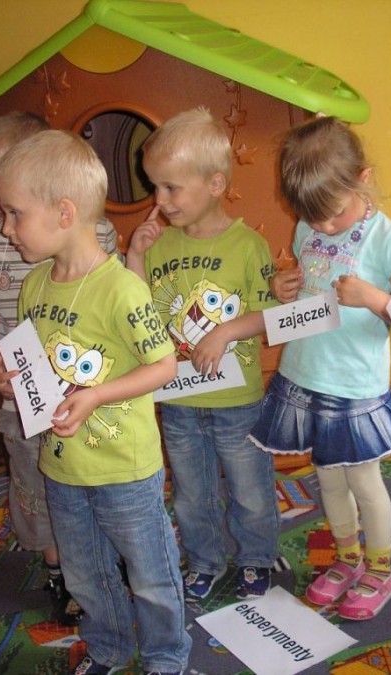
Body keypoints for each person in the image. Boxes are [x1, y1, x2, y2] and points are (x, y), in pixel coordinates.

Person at [0, 129, 190, 675]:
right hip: (62, 466)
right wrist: (9, 380)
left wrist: (96, 393)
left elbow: (164, 365)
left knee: (149, 573)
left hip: (124, 468)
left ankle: (167, 657)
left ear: (64, 212)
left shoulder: (121, 288)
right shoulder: (34, 285)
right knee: (85, 573)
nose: (5, 229)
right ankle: (108, 648)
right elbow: (36, 368)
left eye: (13, 213)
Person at [248, 115, 391, 621]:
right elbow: (311, 281)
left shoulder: (388, 240)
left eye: (333, 215)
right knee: (328, 480)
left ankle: (380, 569)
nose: (324, 227)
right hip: (307, 375)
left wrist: (374, 298)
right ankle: (348, 560)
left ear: (363, 180)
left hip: (354, 385)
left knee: (365, 482)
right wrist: (284, 285)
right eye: (314, 218)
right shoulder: (309, 225)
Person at [0, 110, 120, 626]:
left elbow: (116, 308)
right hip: (21, 400)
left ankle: (110, 557)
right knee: (36, 485)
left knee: (98, 480)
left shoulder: (95, 234)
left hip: (84, 392)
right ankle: (59, 571)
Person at [126, 107, 280, 602]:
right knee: (192, 494)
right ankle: (206, 560)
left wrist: (226, 331)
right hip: (179, 400)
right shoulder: (157, 246)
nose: (159, 200)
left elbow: (269, 314)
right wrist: (134, 257)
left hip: (236, 402)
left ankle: (256, 557)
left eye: (171, 188)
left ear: (215, 184)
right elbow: (137, 313)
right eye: (155, 187)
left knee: (250, 490)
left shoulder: (248, 245)